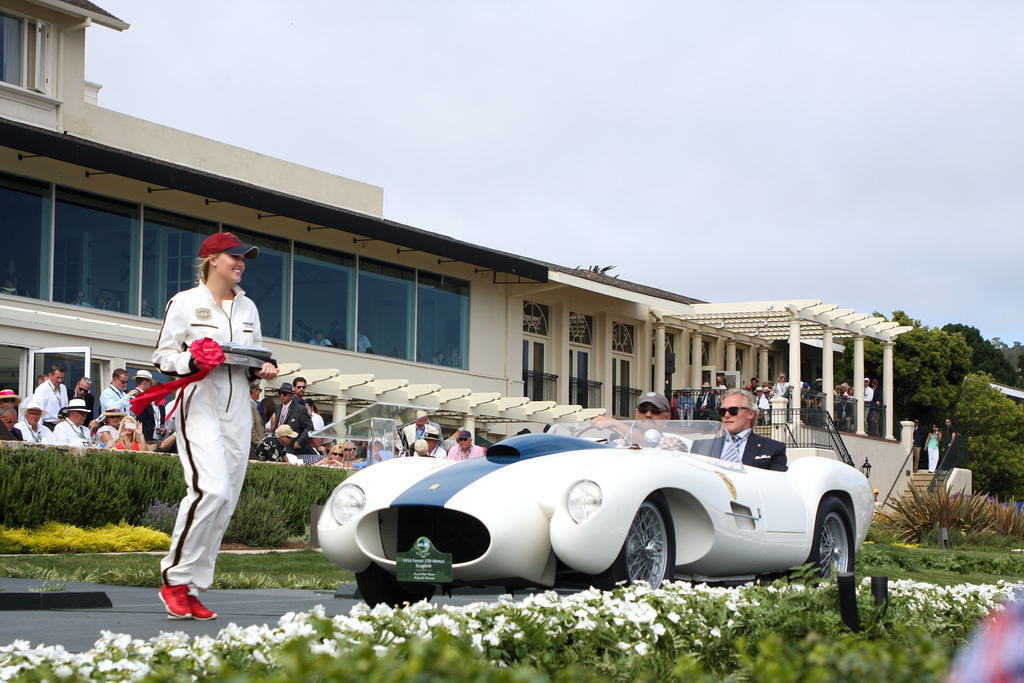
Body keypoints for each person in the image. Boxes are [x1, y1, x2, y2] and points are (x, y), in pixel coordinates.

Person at [152, 231, 279, 621]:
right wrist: (190, 361)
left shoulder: (248, 307)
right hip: (200, 400)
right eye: (233, 258)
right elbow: (162, 355)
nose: (240, 264)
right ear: (211, 260)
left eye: (244, 259)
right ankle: (173, 578)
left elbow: (253, 358)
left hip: (239, 403)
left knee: (227, 499)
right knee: (210, 489)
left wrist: (264, 370)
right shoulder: (185, 302)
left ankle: (192, 586)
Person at [717, 389, 787, 471]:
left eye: (733, 410)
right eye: (722, 411)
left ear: (750, 414)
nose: (726, 415)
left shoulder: (773, 448)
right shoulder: (705, 446)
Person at [269, 383, 313, 456]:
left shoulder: (300, 409)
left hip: (293, 448)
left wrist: (300, 441)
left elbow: (309, 427)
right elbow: (277, 426)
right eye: (280, 393)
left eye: (284, 393)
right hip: (278, 446)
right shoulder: (278, 407)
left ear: (291, 395)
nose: (282, 395)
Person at [31, 364, 68, 431]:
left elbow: (65, 407)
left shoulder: (63, 388)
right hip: (48, 425)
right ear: (50, 375)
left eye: (62, 378)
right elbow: (38, 409)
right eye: (57, 378)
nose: (60, 380)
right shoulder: (42, 389)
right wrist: (38, 429)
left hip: (62, 425)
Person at [133, 371, 164, 441]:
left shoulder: (161, 407)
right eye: (150, 383)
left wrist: (162, 431)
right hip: (144, 438)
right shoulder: (137, 397)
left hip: (156, 439)